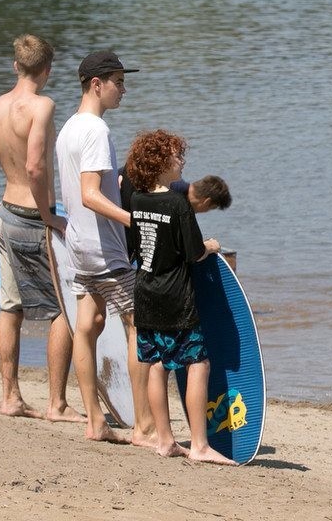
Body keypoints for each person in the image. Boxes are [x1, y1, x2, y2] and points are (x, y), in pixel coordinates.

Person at [0, 34, 83, 422]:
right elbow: (35, 167)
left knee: (10, 309)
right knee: (62, 311)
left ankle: (10, 397)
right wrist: (49, 216)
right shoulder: (43, 106)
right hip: (31, 219)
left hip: (4, 216)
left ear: (16, 66)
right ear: (47, 70)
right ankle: (57, 404)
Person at [55, 50, 153, 444]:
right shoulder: (96, 130)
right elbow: (90, 194)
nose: (124, 90)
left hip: (78, 244)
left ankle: (96, 421)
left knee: (87, 326)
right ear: (97, 84)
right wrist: (135, 220)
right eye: (119, 82)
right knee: (139, 326)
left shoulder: (68, 128)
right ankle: (144, 426)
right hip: (105, 248)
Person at [126, 129, 237, 465]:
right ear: (161, 162)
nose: (182, 161)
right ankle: (200, 445)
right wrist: (211, 246)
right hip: (175, 297)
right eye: (177, 156)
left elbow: (140, 247)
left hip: (145, 293)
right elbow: (193, 252)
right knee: (198, 363)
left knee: (157, 365)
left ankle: (165, 440)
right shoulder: (178, 204)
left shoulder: (138, 199)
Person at [119, 166, 231, 259]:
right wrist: (210, 246)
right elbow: (193, 252)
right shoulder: (178, 200)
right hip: (125, 245)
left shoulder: (173, 183)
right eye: (210, 208)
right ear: (207, 202)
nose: (205, 211)